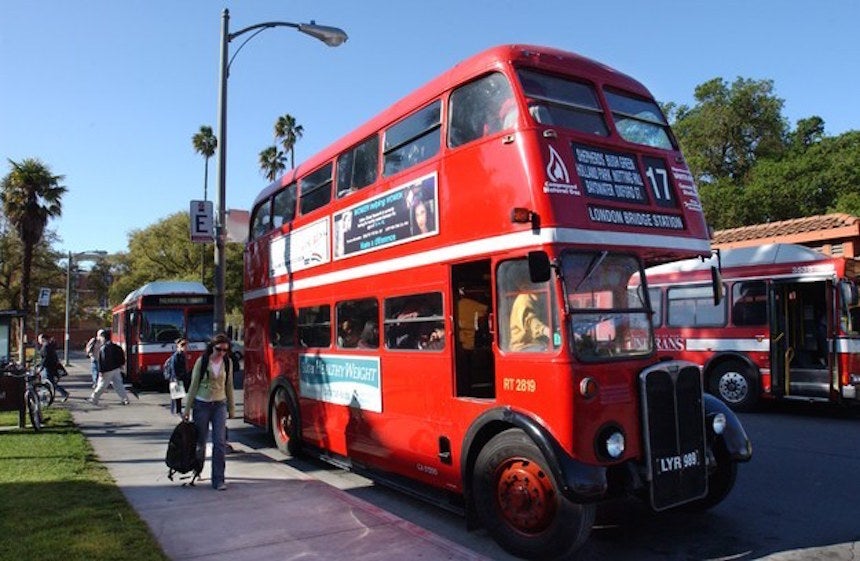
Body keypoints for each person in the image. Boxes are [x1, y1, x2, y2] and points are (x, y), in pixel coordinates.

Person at [183, 333, 235, 491]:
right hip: (202, 404)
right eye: (219, 349)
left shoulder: (227, 362)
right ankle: (197, 471)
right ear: (212, 347)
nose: (222, 353)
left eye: (225, 350)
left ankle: (218, 480)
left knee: (219, 443)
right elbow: (193, 385)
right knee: (200, 442)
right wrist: (187, 409)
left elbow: (229, 385)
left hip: (219, 404)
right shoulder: (202, 361)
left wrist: (231, 408)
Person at [88, 329, 131, 405]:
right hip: (116, 368)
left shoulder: (103, 348)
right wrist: (121, 365)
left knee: (101, 385)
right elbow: (122, 356)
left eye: (100, 337)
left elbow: (103, 361)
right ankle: (125, 399)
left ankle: (94, 399)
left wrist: (101, 371)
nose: (99, 339)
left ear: (103, 337)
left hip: (107, 370)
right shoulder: (116, 346)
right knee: (118, 385)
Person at [38, 333, 69, 402]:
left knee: (49, 383)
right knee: (49, 383)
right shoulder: (49, 346)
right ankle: (46, 397)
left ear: (43, 339)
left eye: (39, 339)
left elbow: (45, 358)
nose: (38, 340)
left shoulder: (46, 347)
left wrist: (40, 366)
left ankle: (63, 393)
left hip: (48, 367)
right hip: (51, 367)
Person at [169, 338, 190, 416]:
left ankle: (176, 410)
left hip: (181, 377)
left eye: (186, 346)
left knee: (178, 395)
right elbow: (174, 368)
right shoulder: (176, 355)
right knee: (176, 395)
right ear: (179, 346)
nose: (185, 348)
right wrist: (176, 378)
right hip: (176, 378)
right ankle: (176, 410)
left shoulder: (182, 355)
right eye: (183, 346)